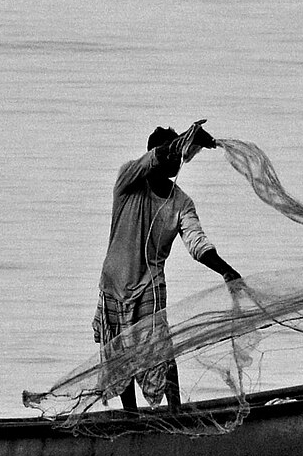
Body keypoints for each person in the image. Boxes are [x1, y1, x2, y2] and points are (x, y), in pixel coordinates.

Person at [94, 122, 244, 410]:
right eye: (171, 155)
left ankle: (175, 412)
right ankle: (131, 416)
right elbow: (156, 157)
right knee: (120, 354)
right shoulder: (129, 180)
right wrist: (185, 140)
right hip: (113, 283)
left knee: (161, 349)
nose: (176, 161)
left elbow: (197, 244)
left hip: (149, 285)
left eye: (179, 155)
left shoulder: (181, 203)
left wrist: (226, 270)